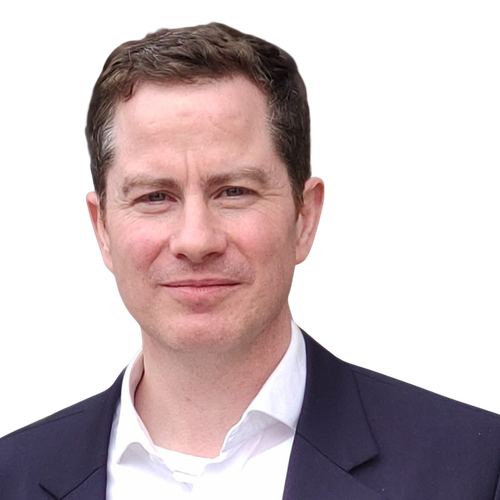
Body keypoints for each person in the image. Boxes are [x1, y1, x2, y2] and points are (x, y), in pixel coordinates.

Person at [1, 22, 499, 500]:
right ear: (103, 229)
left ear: (304, 218)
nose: (196, 240)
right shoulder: (11, 476)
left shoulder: (475, 469)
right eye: (155, 196)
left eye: (234, 191)